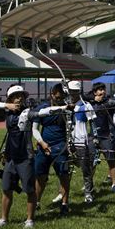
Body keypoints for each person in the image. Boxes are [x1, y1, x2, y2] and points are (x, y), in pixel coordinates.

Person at [0, 85, 68, 229]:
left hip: (25, 157)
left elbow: (44, 112)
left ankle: (29, 220)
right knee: (6, 188)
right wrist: (7, 105)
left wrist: (63, 108)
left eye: (21, 96)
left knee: (29, 190)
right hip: (11, 157)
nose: (19, 98)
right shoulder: (7, 111)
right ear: (10, 98)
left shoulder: (28, 112)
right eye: (16, 96)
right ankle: (3, 219)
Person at [32, 84, 71, 216]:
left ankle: (65, 204)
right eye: (58, 97)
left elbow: (71, 126)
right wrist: (42, 142)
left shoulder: (66, 107)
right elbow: (34, 129)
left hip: (61, 145)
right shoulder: (42, 108)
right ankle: (36, 202)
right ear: (52, 94)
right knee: (40, 176)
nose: (61, 100)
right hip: (43, 146)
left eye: (63, 97)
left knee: (64, 175)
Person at [67, 80, 98, 204]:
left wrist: (94, 137)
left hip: (81, 141)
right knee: (65, 169)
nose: (72, 94)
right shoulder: (64, 105)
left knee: (85, 168)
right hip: (67, 141)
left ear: (79, 92)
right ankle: (63, 194)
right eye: (70, 92)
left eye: (75, 92)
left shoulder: (86, 105)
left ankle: (88, 192)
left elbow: (93, 122)